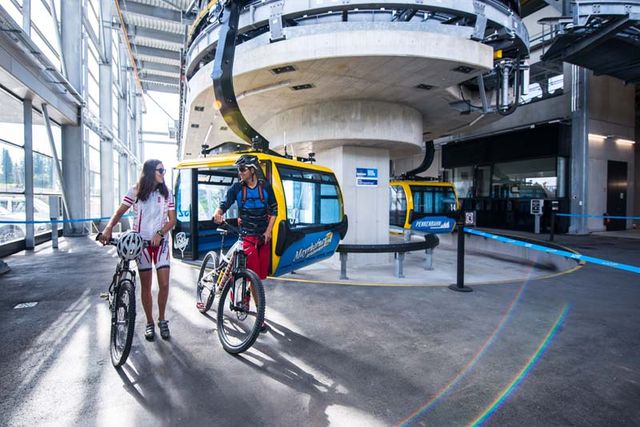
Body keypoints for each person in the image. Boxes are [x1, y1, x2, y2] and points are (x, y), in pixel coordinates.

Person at [100, 159, 176, 341]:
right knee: (146, 286)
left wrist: (160, 233)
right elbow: (119, 213)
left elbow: (172, 220)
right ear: (150, 171)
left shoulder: (167, 193)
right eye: (160, 170)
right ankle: (149, 323)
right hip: (140, 244)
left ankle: (162, 319)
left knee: (164, 284)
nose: (163, 173)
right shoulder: (135, 191)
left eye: (164, 170)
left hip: (161, 244)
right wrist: (109, 228)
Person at [213, 154, 277, 332]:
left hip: (263, 237)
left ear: (252, 170)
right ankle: (260, 319)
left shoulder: (265, 188)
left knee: (259, 277)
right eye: (238, 170)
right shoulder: (237, 188)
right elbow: (224, 203)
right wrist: (218, 212)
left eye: (242, 169)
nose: (239, 173)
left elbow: (274, 210)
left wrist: (268, 231)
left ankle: (248, 295)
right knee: (255, 277)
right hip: (247, 235)